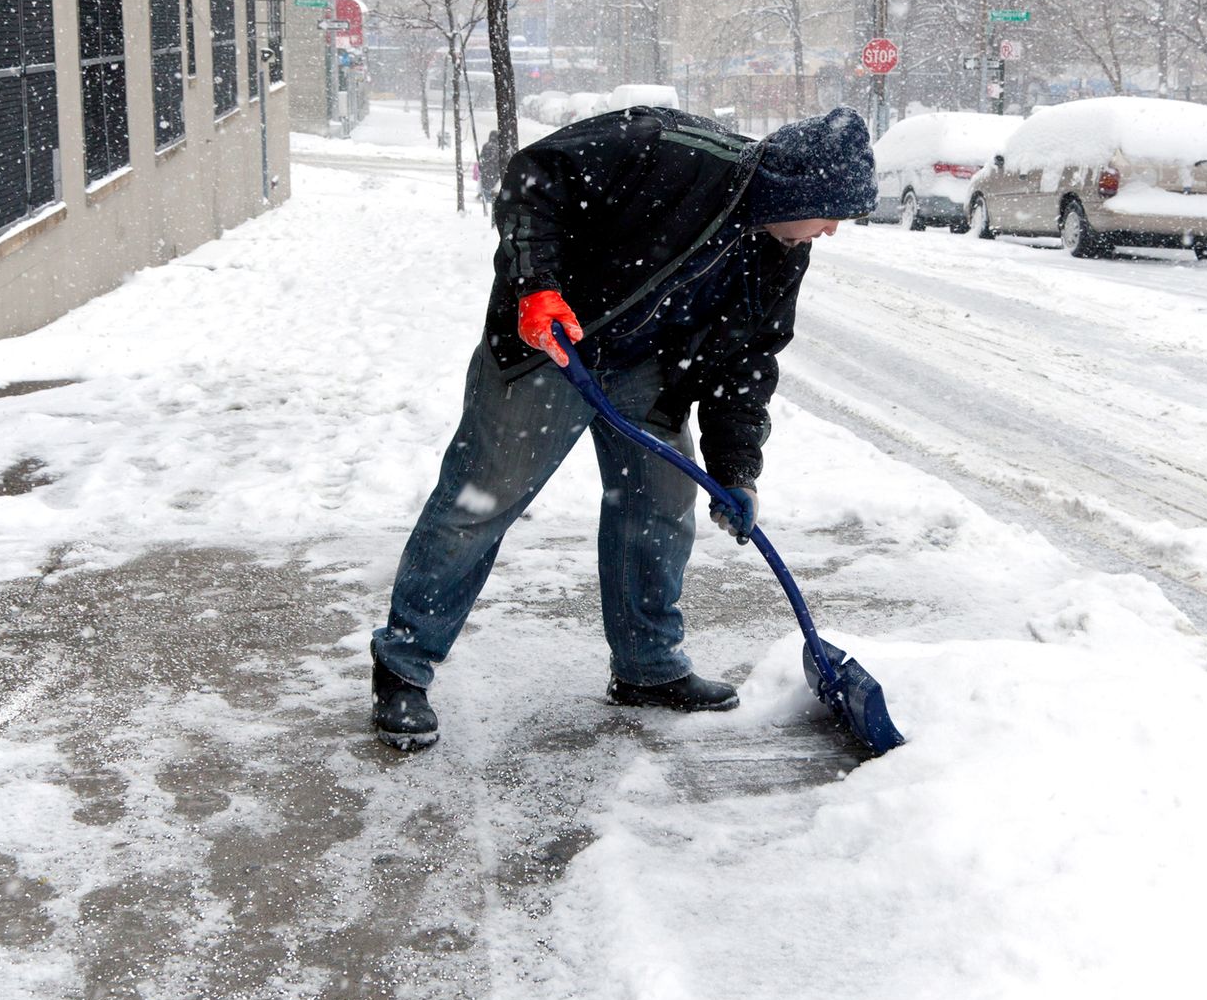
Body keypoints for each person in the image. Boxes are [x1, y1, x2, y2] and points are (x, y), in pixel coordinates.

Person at [367, 105, 878, 751]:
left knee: (662, 500)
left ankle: (646, 665)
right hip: (553, 343)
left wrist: (736, 471)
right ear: (799, 189)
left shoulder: (780, 251)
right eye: (832, 211)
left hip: (644, 366)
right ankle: (403, 667)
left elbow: (747, 366)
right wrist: (535, 286)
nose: (832, 230)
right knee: (482, 496)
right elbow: (534, 178)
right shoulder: (670, 152)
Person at [477, 129, 502, 218]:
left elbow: (481, 158)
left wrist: (482, 166)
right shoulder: (498, 147)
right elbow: (496, 160)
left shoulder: (486, 145)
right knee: (493, 185)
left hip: (485, 170)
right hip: (494, 170)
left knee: (486, 184)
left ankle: (486, 197)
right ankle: (490, 199)